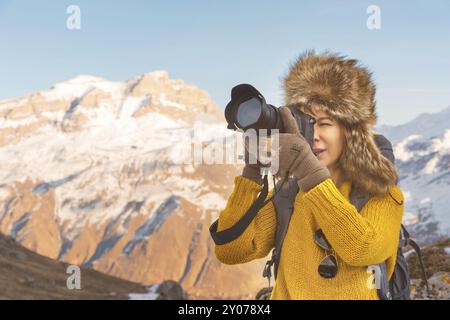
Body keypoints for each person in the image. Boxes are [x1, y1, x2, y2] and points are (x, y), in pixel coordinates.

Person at [213, 50, 404, 299]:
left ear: (351, 132)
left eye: (324, 124)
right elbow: (231, 250)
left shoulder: (381, 191)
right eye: (308, 122)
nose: (313, 136)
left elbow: (362, 248)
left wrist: (307, 169)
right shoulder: (290, 195)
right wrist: (253, 170)